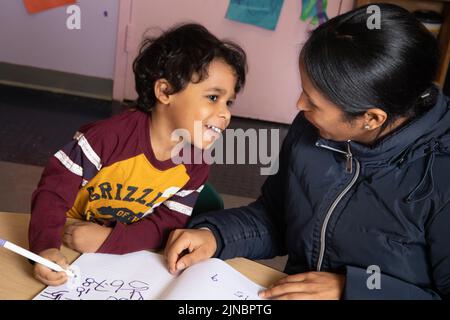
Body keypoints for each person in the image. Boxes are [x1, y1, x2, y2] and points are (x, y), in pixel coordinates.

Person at [164, 4, 450, 300]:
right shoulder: (310, 130)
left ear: (372, 118)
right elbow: (279, 217)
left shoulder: (441, 179)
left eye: (313, 102)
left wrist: (352, 289)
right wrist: (217, 235)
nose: (300, 106)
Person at [29, 23, 247, 286]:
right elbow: (52, 194)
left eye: (229, 102)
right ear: (165, 91)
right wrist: (44, 249)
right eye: (213, 97)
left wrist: (108, 240)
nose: (226, 113)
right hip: (64, 245)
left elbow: (166, 224)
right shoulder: (106, 138)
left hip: (119, 262)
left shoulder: (196, 164)